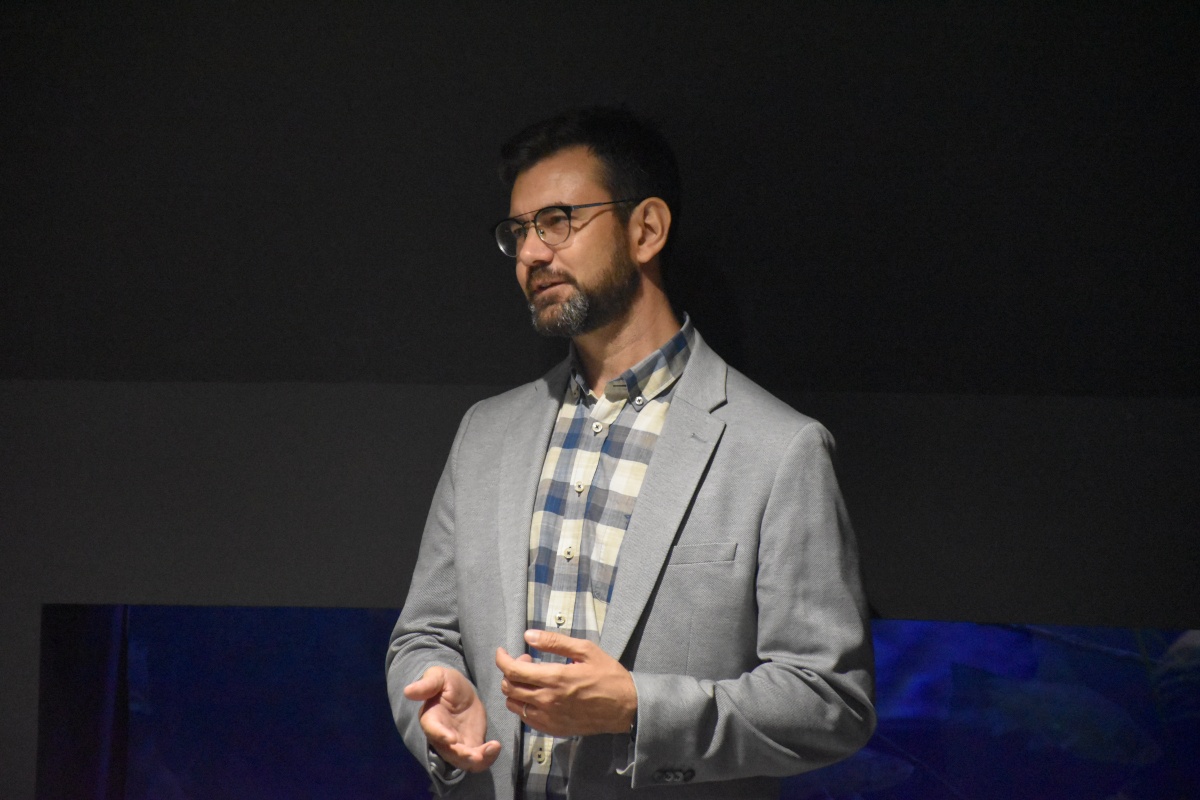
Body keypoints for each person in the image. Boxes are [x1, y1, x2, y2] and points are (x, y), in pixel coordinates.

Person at [386, 107, 876, 799]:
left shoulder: (777, 449)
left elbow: (830, 701)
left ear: (645, 229)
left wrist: (638, 709)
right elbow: (422, 636)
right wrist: (435, 707)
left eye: (557, 221)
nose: (530, 254)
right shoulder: (486, 434)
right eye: (519, 232)